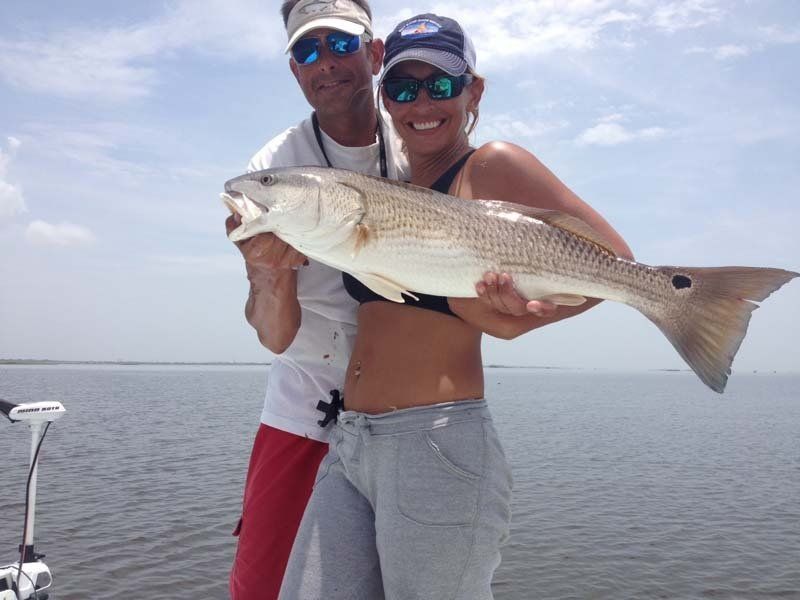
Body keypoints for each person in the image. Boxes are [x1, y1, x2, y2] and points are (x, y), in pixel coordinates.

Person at [278, 13, 635, 600]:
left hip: (435, 442)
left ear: (474, 91)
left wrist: (528, 318)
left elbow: (616, 264)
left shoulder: (492, 163)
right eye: (402, 88)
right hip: (352, 441)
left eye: (441, 84)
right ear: (385, 98)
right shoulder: (396, 192)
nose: (422, 102)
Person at [224, 1, 410, 598]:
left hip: (408, 413)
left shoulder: (417, 139)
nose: (324, 63)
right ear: (294, 71)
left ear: (374, 53)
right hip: (306, 412)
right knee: (264, 585)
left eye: (340, 44)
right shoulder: (273, 170)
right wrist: (269, 272)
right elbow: (275, 335)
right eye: (306, 51)